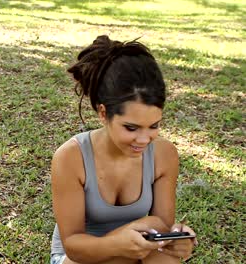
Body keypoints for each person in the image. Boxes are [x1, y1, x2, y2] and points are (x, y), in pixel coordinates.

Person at [50, 35, 198, 264]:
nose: (143, 139)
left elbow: (160, 226)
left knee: (165, 260)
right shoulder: (71, 157)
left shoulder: (163, 155)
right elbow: (73, 247)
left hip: (136, 247)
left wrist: (176, 242)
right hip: (79, 257)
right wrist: (118, 244)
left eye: (154, 126)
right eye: (131, 127)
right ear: (103, 113)